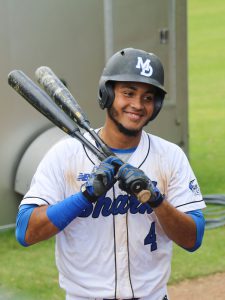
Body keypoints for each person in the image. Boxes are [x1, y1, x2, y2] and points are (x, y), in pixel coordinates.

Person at [15, 48, 206, 300]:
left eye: (148, 97)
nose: (137, 105)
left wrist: (156, 200)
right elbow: (25, 231)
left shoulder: (170, 156)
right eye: (128, 93)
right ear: (107, 94)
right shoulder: (66, 155)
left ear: (156, 105)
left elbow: (193, 238)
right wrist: (85, 196)